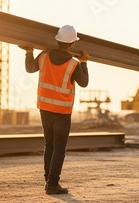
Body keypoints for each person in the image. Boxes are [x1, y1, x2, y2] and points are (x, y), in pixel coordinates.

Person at [20, 25, 89, 194]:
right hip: (62, 112)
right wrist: (84, 62)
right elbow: (84, 82)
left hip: (45, 109)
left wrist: (29, 52)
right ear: (72, 45)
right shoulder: (73, 64)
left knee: (49, 146)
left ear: (57, 41)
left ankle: (48, 179)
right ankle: (52, 184)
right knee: (59, 148)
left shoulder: (43, 56)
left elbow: (30, 68)